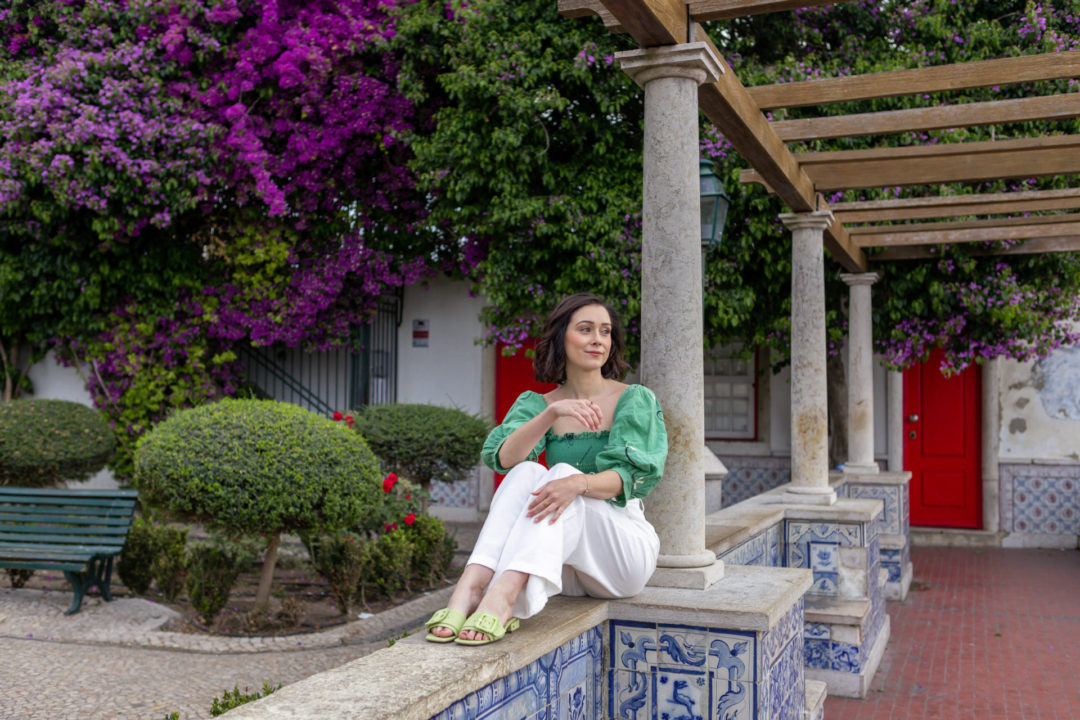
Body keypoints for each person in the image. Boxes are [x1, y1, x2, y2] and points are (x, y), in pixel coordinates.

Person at [425, 293, 667, 645]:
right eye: (585, 329)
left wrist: (577, 483)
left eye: (605, 331)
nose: (598, 339)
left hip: (621, 555)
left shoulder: (633, 399)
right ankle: (471, 587)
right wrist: (551, 414)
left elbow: (630, 478)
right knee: (525, 472)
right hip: (562, 562)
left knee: (560, 474)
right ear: (561, 337)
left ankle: (502, 597)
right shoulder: (539, 405)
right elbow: (504, 458)